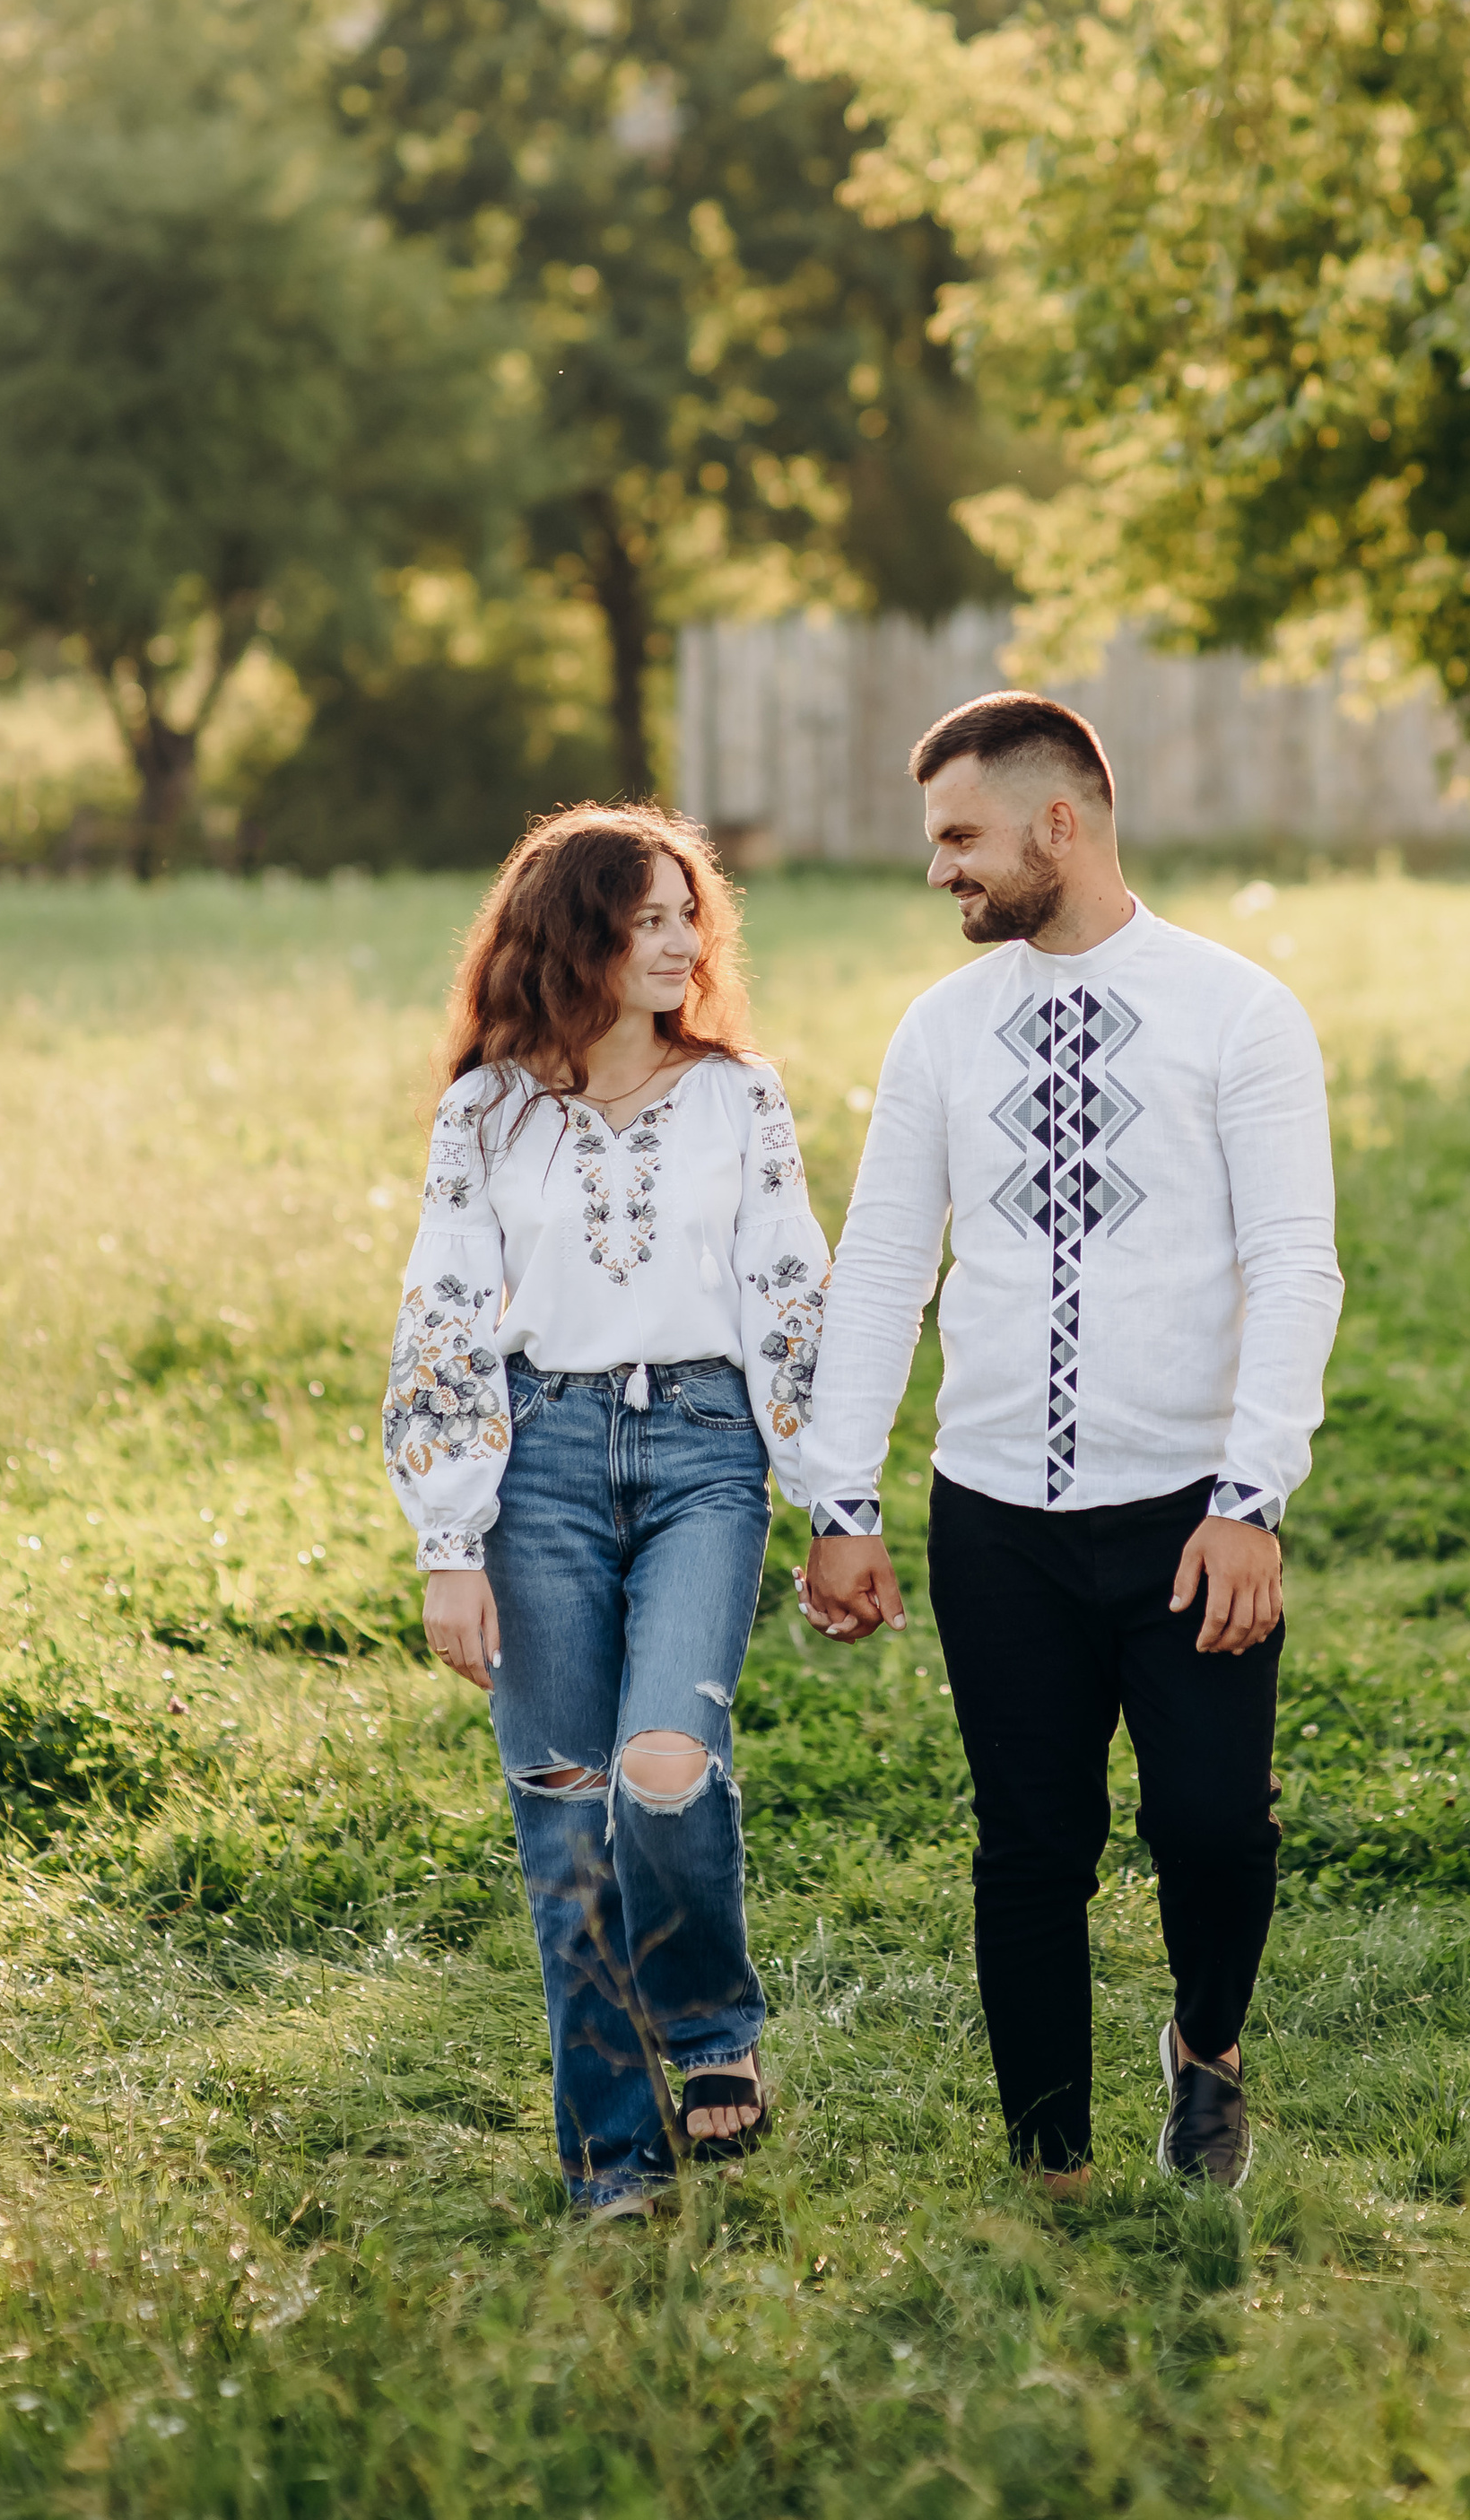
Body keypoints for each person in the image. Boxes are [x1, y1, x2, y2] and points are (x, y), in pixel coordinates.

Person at [796, 693, 1341, 2195]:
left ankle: (1210, 2052)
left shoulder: (1238, 1010)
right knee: (1030, 1845)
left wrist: (1252, 1498)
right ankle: (1052, 2170)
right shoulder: (940, 1029)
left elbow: (1296, 1263)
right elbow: (885, 1268)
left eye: (961, 836)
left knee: (1216, 1829)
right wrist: (842, 1498)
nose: (940, 871)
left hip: (1189, 1514)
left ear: (1061, 821)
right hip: (997, 1522)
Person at [384, 802, 830, 2221]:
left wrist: (837, 1496)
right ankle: (614, 2159)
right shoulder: (487, 1108)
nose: (683, 941)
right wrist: (450, 1542)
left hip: (706, 1445)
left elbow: (789, 1293)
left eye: (691, 913)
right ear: (575, 933)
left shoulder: (739, 1094)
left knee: (663, 1765)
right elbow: (446, 1313)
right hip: (541, 1461)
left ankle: (708, 2020)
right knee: (564, 1819)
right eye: (648, 917)